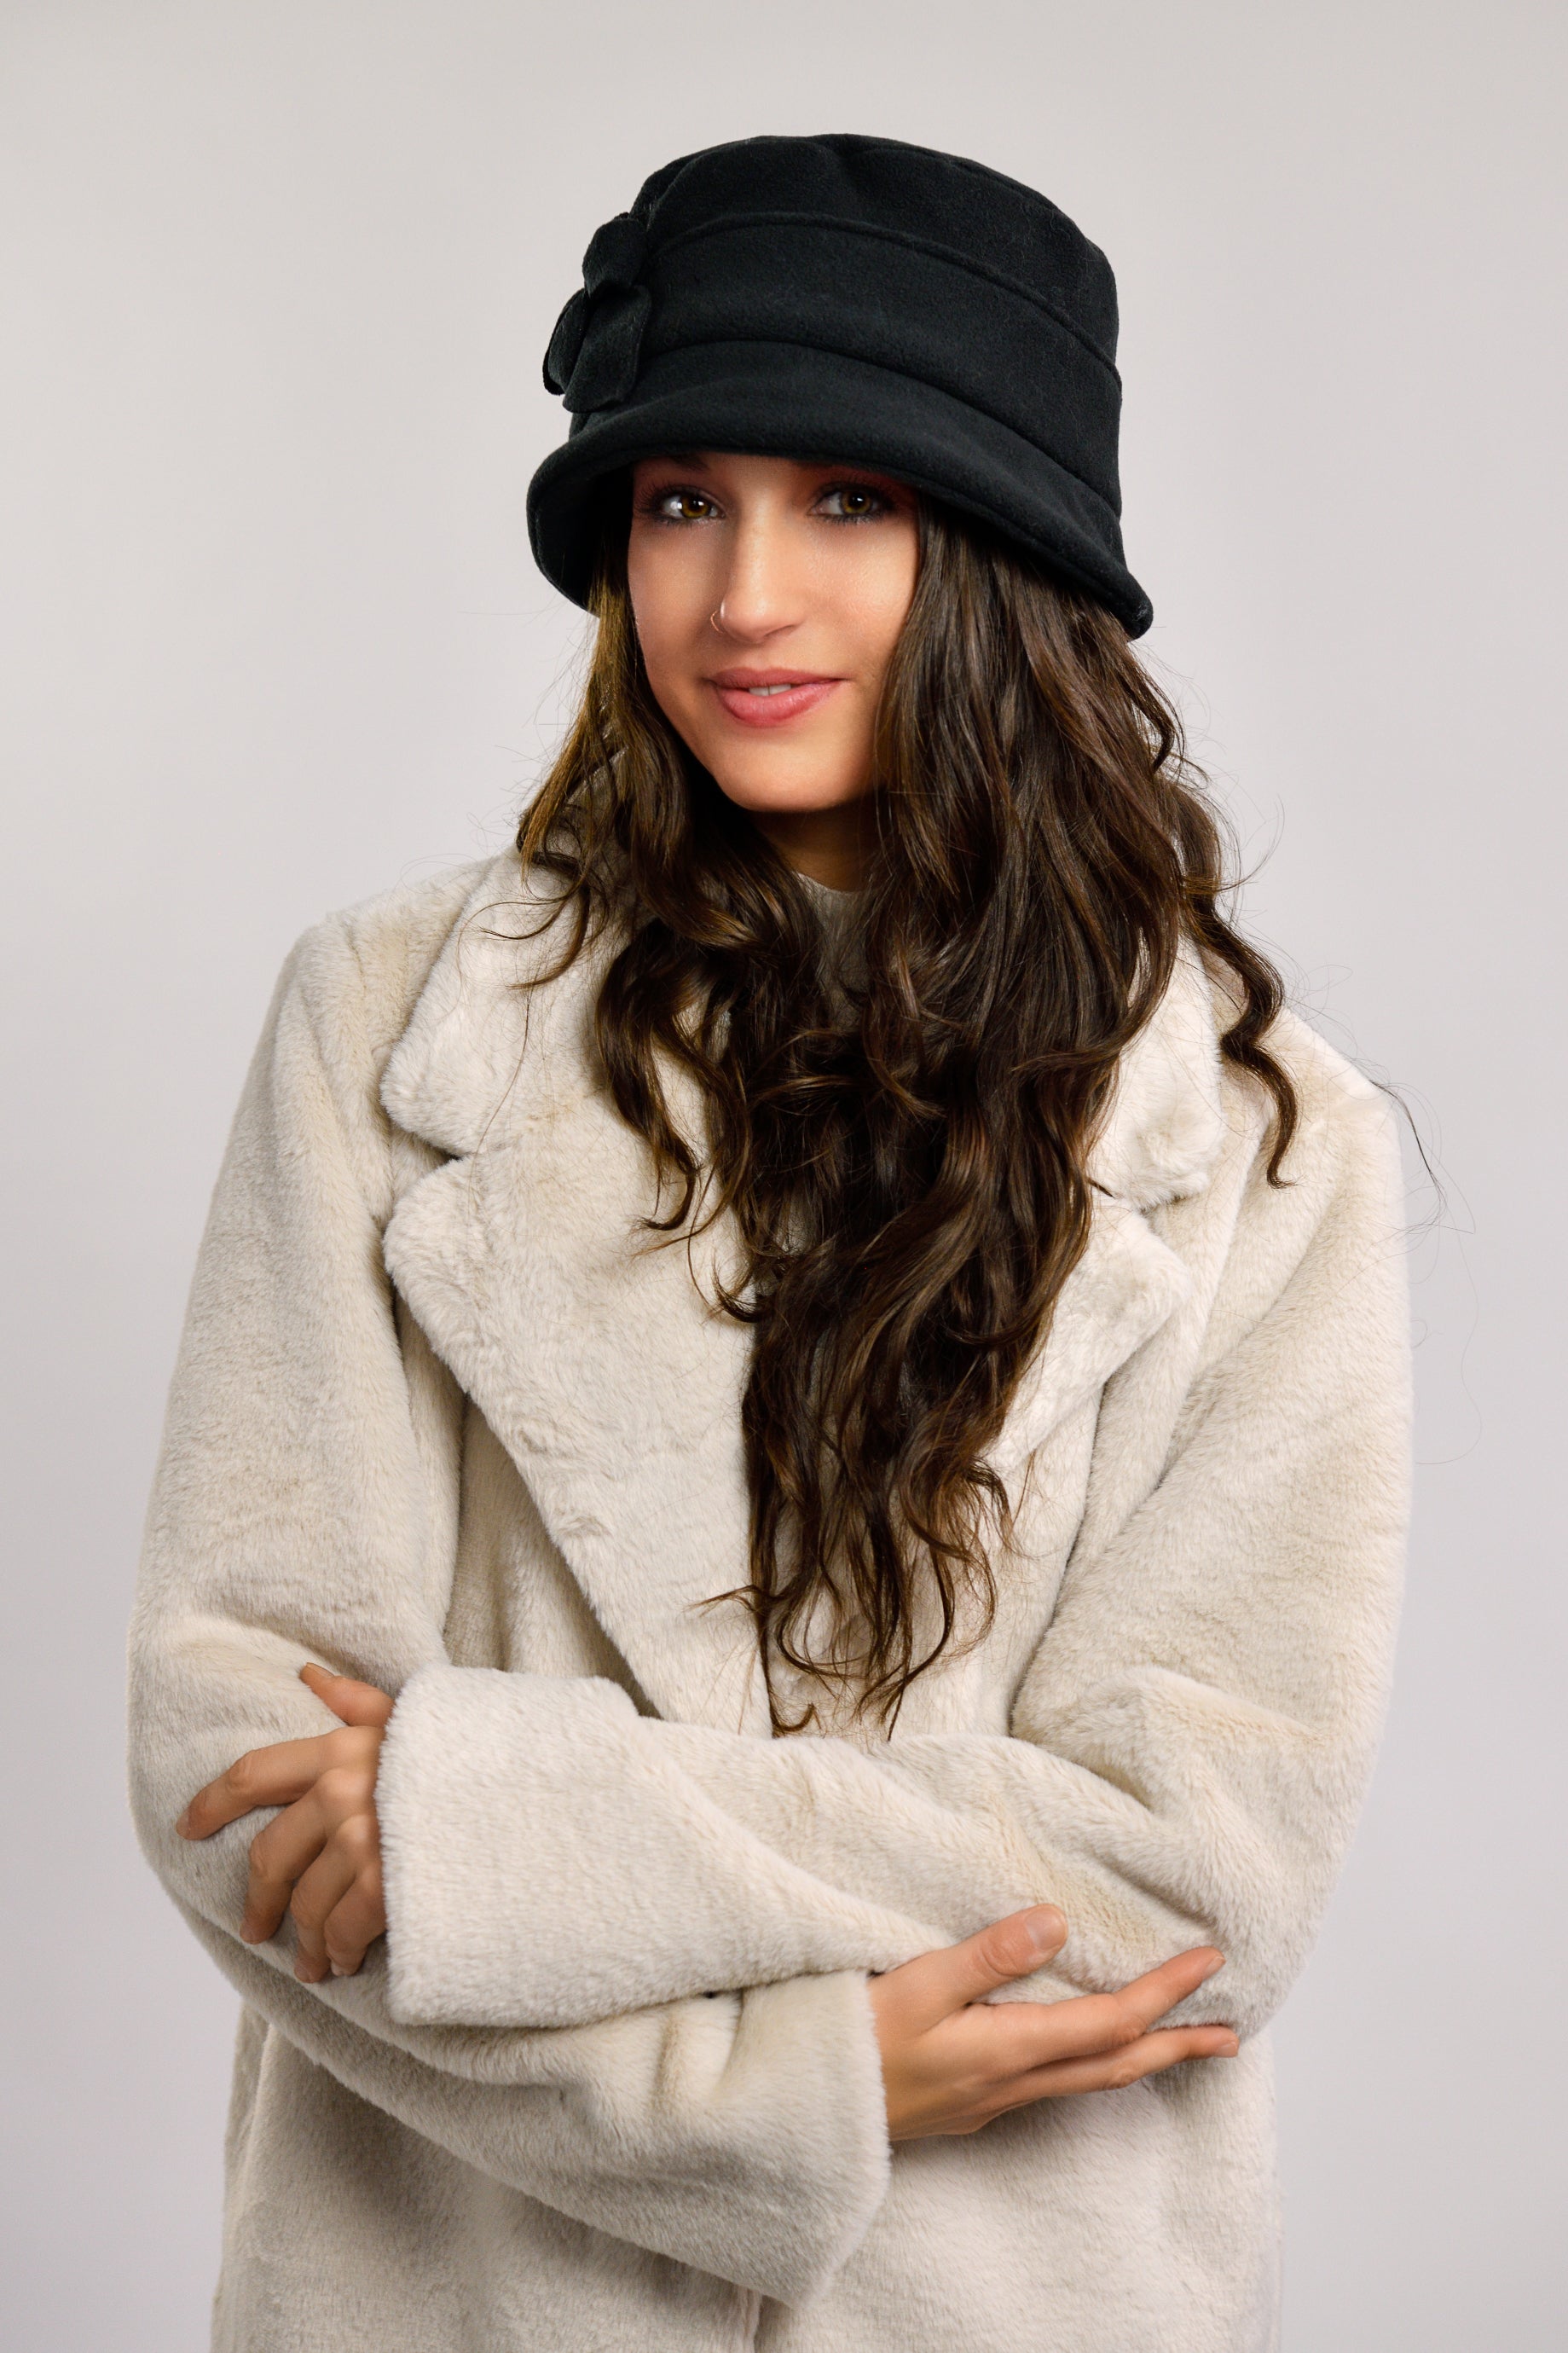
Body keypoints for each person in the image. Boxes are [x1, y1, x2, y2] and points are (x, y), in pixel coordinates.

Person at [129, 134, 1410, 2353]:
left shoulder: (1261, 1140)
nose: (741, 597)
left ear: (1003, 556)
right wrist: (777, 2094)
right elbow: (241, 1774)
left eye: (846, 500)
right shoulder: (392, 1027)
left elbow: (1185, 1864)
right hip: (461, 2294)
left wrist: (490, 1822)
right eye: (678, 500)